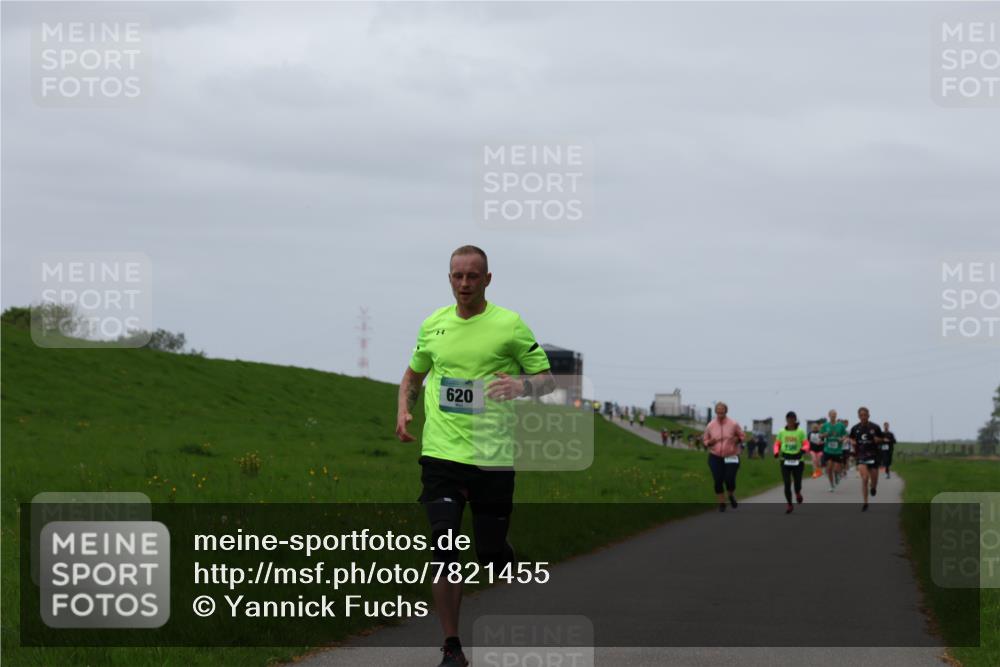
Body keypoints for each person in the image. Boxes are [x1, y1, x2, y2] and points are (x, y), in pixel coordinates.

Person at [396, 245, 556, 667]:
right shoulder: (433, 325)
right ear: (448, 278)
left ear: (487, 280)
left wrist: (522, 387)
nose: (464, 284)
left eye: (472, 276)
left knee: (489, 556)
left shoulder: (509, 325)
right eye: (457, 276)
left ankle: (500, 551)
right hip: (441, 455)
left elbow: (546, 379)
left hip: (493, 455)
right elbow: (414, 372)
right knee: (444, 547)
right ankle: (452, 646)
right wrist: (403, 407)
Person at [702, 402, 745, 512]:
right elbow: (705, 440)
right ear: (716, 411)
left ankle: (730, 495)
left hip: (731, 455)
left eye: (722, 410)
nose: (720, 412)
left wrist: (738, 439)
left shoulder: (733, 424)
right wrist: (709, 442)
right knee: (718, 480)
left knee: (730, 479)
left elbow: (742, 435)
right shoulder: (710, 425)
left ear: (726, 411)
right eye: (718, 410)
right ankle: (721, 503)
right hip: (715, 456)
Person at [848, 407, 884, 512]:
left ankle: (873, 488)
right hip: (861, 455)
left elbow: (882, 438)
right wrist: (852, 441)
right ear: (859, 416)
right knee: (864, 478)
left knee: (874, 479)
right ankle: (865, 503)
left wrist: (879, 440)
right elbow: (851, 437)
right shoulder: (855, 428)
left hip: (873, 455)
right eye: (861, 415)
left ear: (868, 415)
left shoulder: (875, 427)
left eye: (865, 415)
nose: (863, 417)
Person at [774, 411, 809, 514]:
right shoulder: (781, 432)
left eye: (792, 419)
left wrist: (802, 450)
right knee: (787, 483)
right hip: (785, 459)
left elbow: (806, 444)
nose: (790, 421)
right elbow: (777, 444)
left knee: (797, 483)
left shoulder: (800, 432)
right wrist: (776, 452)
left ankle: (798, 492)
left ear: (795, 420)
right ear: (786, 420)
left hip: (798, 459)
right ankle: (789, 504)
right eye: (788, 419)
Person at [819, 409, 847, 491]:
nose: (833, 416)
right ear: (829, 415)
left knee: (836, 469)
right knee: (829, 468)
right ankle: (831, 485)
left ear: (836, 415)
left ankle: (837, 475)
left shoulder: (840, 425)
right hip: (828, 450)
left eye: (835, 414)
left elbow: (845, 435)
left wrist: (842, 439)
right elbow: (820, 436)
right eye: (832, 414)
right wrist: (824, 435)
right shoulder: (825, 425)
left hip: (837, 450)